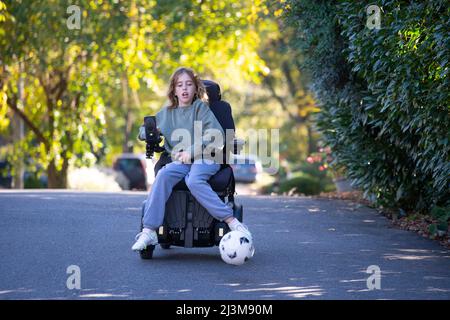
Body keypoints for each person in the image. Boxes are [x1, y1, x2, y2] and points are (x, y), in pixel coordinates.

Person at [132, 67, 252, 251]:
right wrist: (148, 132)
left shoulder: (201, 109)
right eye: (180, 85)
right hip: (182, 161)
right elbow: (146, 129)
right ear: (174, 90)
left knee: (194, 180)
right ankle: (149, 231)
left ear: (195, 89)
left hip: (207, 157)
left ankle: (231, 220)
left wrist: (192, 151)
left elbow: (216, 134)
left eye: (189, 84)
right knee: (163, 175)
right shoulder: (166, 113)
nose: (184, 89)